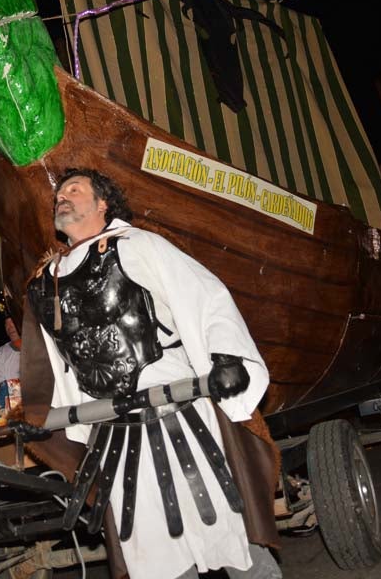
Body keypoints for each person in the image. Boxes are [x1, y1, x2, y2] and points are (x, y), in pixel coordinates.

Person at [27, 168, 280, 579]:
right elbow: (56, 365)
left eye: (74, 190)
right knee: (152, 554)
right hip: (113, 436)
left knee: (226, 532)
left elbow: (204, 295)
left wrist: (226, 357)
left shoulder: (139, 246)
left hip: (180, 413)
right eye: (59, 194)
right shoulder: (46, 282)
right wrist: (43, 414)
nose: (62, 197)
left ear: (103, 204)